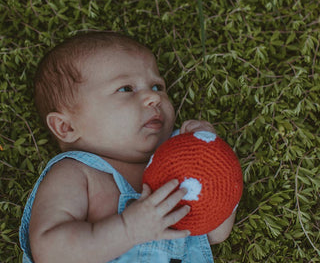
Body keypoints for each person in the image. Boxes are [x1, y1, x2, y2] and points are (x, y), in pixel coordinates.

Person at [20, 31, 236, 263]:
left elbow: (217, 233)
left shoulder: (180, 169)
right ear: (66, 127)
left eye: (157, 87)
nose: (153, 98)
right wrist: (128, 229)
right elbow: (50, 252)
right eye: (125, 89)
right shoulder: (76, 174)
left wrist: (212, 161)